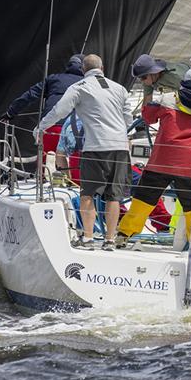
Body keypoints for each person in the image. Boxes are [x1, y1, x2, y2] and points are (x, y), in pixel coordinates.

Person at [117, 68, 191, 248]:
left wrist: (149, 93)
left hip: (161, 161)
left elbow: (148, 116)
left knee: (143, 199)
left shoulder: (167, 99)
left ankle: (123, 235)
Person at [37, 54, 133, 251]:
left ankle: (88, 238)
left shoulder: (79, 88)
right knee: (114, 196)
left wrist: (40, 128)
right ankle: (109, 240)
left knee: (88, 194)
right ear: (103, 68)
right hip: (120, 148)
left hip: (96, 147)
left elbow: (59, 112)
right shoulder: (119, 88)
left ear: (83, 70)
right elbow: (128, 119)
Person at [1, 54, 84, 157]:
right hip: (76, 132)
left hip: (50, 128)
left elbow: (30, 95)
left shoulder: (53, 79)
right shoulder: (89, 84)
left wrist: (10, 113)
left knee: (47, 168)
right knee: (72, 169)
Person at [54, 112, 84, 184]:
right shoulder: (107, 118)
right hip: (99, 180)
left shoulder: (70, 120)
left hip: (76, 179)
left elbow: (60, 155)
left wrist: (68, 183)